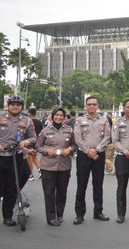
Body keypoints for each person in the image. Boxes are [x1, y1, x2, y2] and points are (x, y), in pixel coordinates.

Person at [73, 96, 111, 225]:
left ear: (97, 105)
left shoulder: (104, 120)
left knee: (98, 185)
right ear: (86, 106)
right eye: (89, 104)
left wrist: (97, 149)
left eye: (94, 104)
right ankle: (79, 214)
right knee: (81, 185)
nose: (92, 106)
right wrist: (88, 151)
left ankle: (98, 212)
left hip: (99, 155)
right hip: (84, 155)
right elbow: (77, 138)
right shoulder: (79, 120)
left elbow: (107, 137)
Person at [0, 95, 36, 226]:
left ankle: (8, 216)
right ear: (8, 106)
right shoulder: (1, 117)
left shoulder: (27, 121)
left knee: (12, 187)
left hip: (16, 156)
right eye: (13, 104)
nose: (15, 106)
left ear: (21, 107)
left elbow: (33, 138)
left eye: (18, 105)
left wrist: (26, 141)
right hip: (1, 156)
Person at [35, 107, 75, 226]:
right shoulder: (45, 131)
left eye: (61, 115)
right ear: (52, 116)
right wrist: (47, 151)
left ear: (64, 117)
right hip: (48, 166)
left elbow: (74, 145)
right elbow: (38, 146)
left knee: (62, 192)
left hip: (64, 165)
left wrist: (69, 149)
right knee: (49, 192)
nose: (59, 117)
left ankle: (60, 214)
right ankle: (51, 217)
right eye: (56, 115)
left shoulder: (69, 130)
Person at [27, 108, 43, 180]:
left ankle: (31, 174)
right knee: (34, 157)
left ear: (29, 113)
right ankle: (41, 170)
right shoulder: (39, 122)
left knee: (29, 158)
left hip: (29, 142)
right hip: (37, 141)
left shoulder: (28, 121)